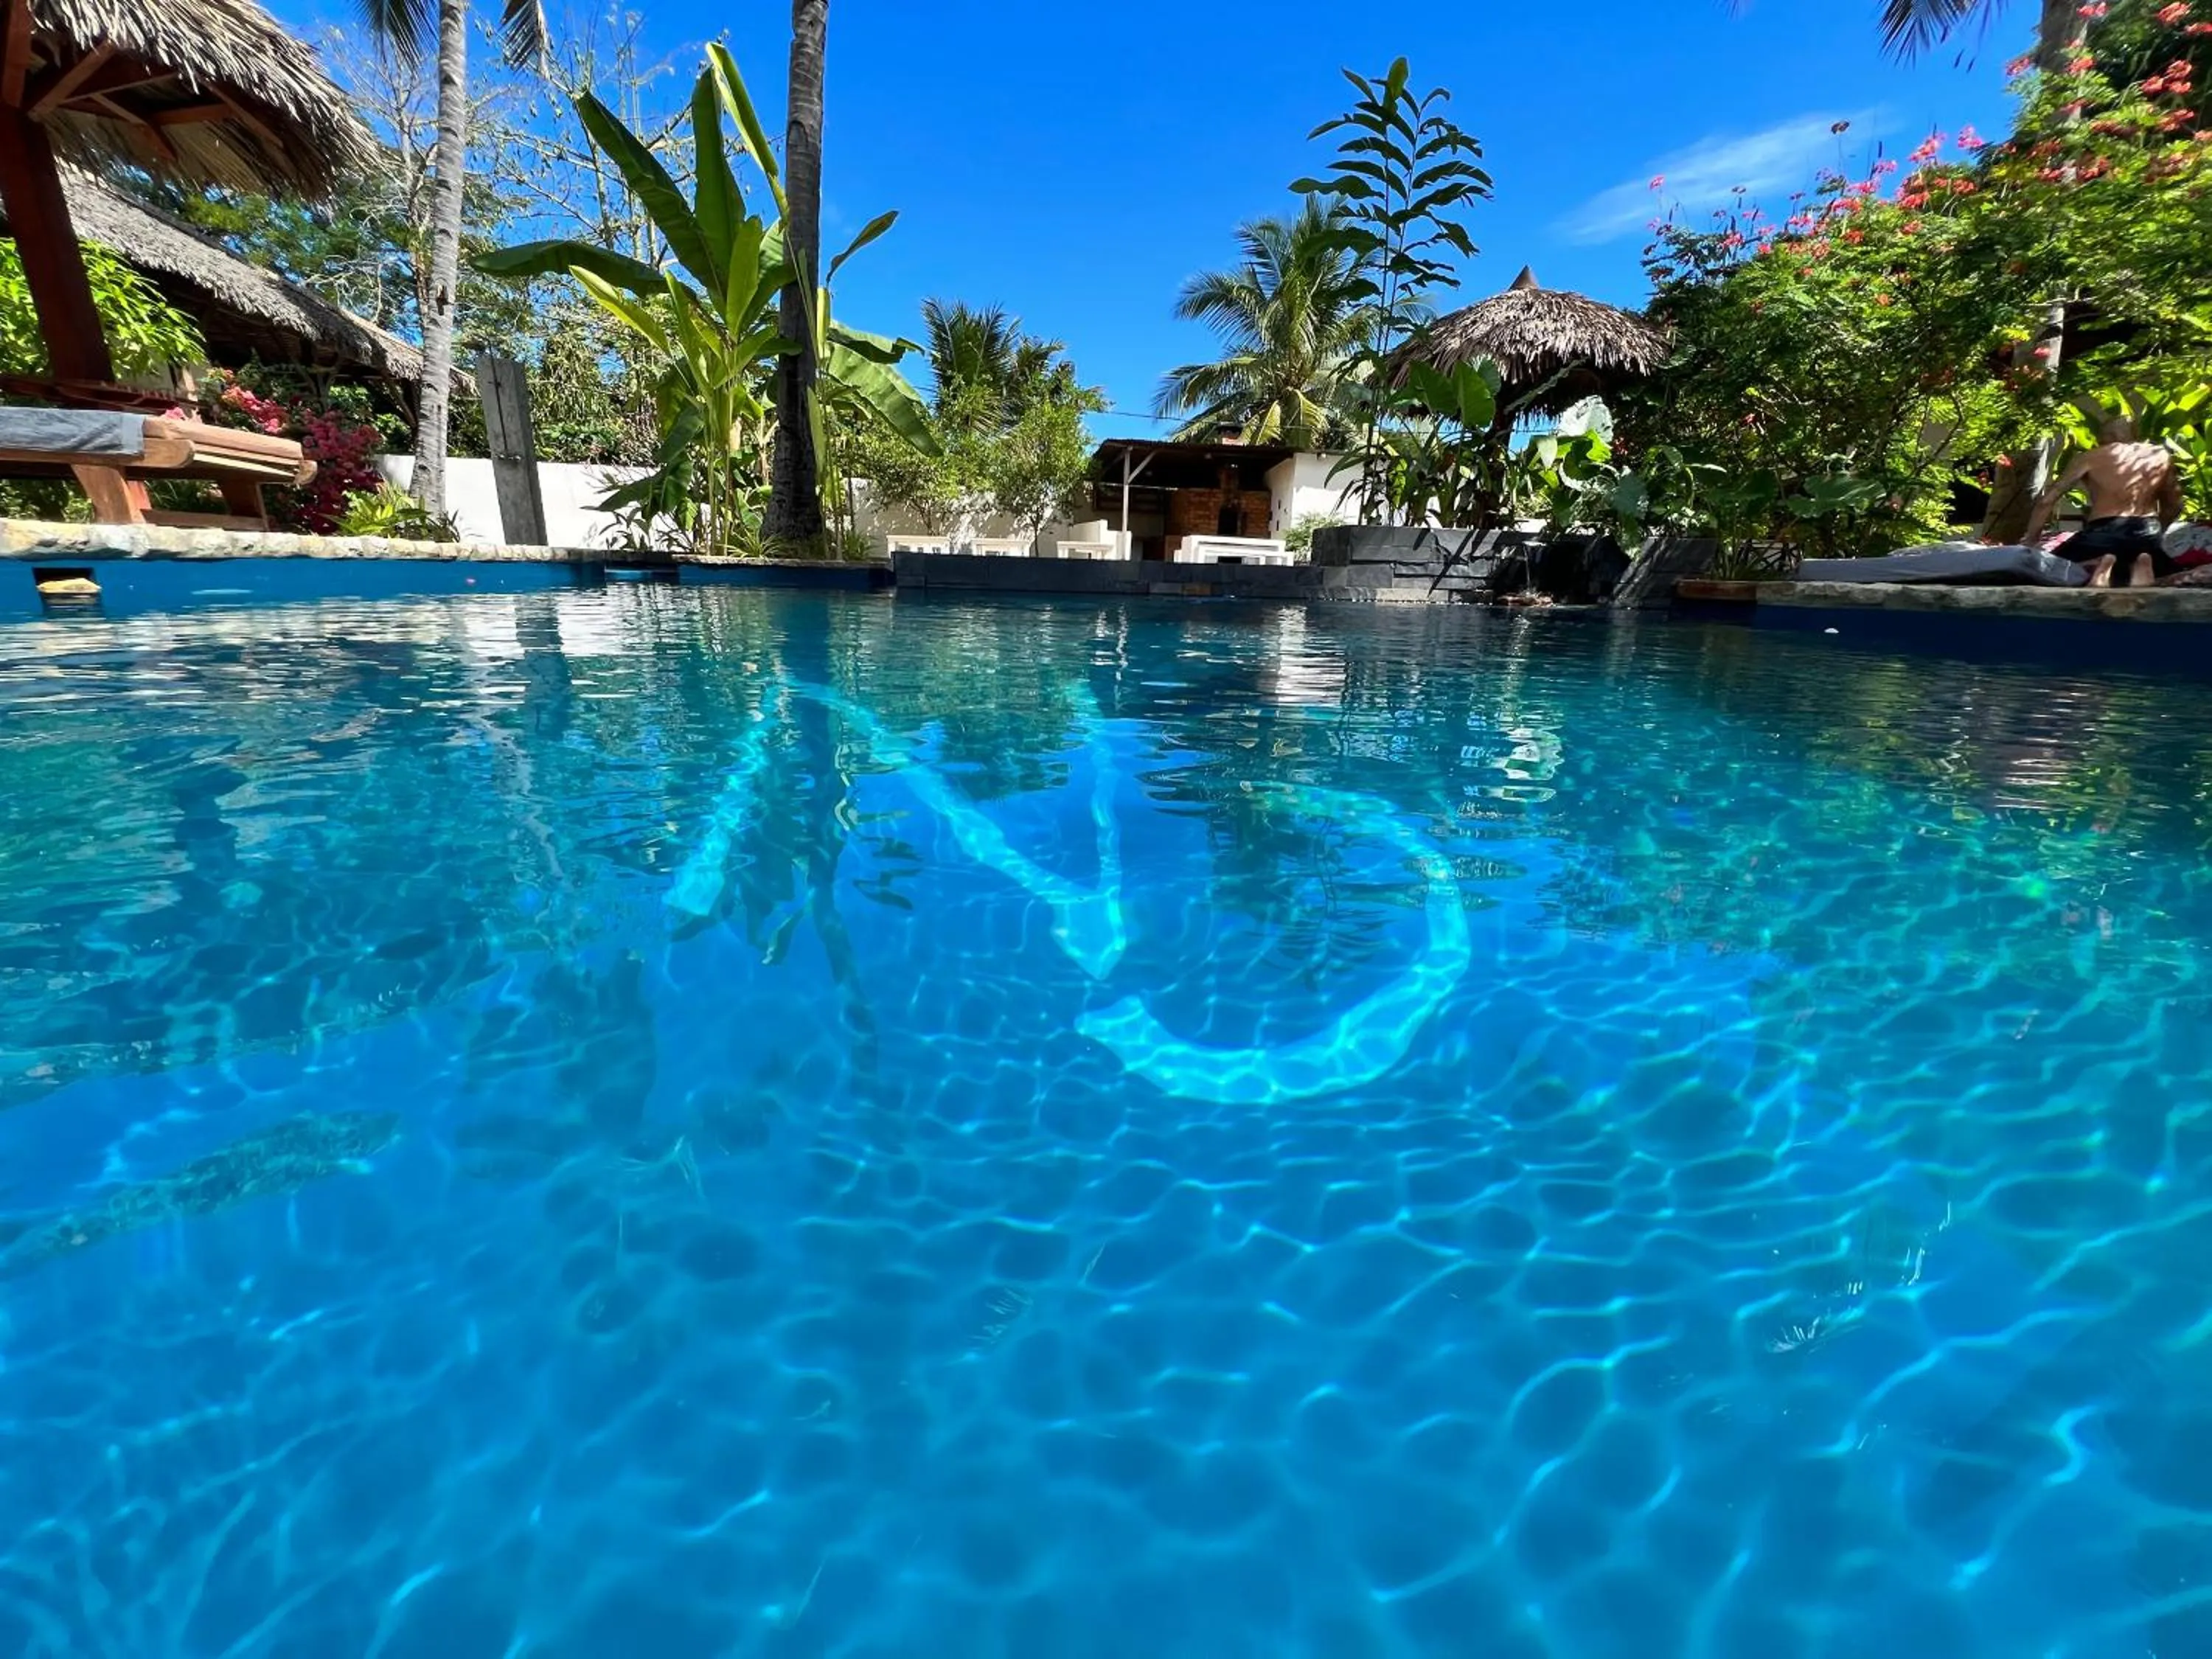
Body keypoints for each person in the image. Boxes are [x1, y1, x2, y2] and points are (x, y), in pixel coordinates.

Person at [2017, 414, 2184, 587]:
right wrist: (2157, 534)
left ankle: (2097, 566)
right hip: (2147, 533)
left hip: (2103, 534)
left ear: (2107, 437)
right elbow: (2175, 505)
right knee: (2163, 571)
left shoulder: (2090, 458)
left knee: (2051, 571)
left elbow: (2048, 500)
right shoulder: (2160, 455)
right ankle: (2140, 569)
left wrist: (2032, 539)